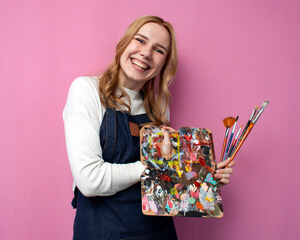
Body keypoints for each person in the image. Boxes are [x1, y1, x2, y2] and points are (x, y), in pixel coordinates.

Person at [63, 15, 235, 240]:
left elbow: (165, 188)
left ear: (164, 63)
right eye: (140, 40)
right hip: (102, 232)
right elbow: (90, 181)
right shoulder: (86, 90)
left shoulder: (159, 107)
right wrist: (156, 165)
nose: (146, 53)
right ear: (124, 43)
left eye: (159, 50)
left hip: (157, 232)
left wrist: (203, 177)